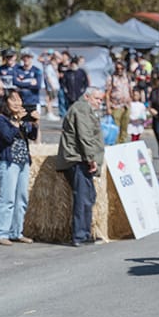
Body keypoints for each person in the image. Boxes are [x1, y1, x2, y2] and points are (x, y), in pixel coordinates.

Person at [53, 87, 105, 246]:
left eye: (101, 99)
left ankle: (84, 232)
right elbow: (85, 135)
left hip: (79, 158)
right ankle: (80, 235)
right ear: (88, 97)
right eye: (97, 99)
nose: (100, 102)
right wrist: (91, 158)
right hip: (77, 159)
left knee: (88, 196)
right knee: (83, 198)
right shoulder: (82, 108)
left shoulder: (84, 108)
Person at [0, 89, 39, 245]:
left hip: (23, 162)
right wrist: (16, 121)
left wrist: (34, 123)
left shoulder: (22, 119)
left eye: (19, 100)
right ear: (6, 102)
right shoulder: (2, 120)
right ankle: (1, 233)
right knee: (7, 198)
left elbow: (32, 136)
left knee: (21, 198)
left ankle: (16, 232)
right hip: (9, 162)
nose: (17, 103)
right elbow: (7, 137)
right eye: (13, 100)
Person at [106, 60, 133, 143]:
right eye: (118, 69)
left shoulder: (127, 77)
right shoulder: (112, 78)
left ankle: (123, 145)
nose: (119, 70)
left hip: (126, 106)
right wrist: (108, 108)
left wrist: (130, 100)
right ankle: (116, 145)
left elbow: (130, 90)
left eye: (121, 68)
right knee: (116, 128)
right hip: (115, 106)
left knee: (124, 129)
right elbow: (107, 93)